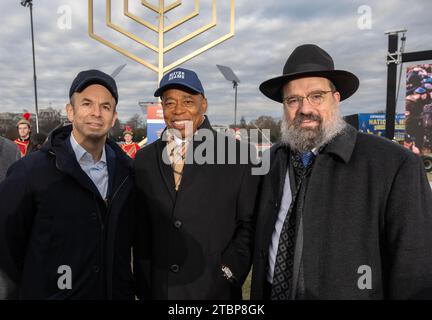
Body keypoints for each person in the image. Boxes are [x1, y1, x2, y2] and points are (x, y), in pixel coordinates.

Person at [251, 44, 432, 300]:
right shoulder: (271, 161)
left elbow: (414, 270)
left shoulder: (394, 165)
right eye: (293, 100)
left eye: (316, 96)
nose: (305, 109)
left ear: (336, 99)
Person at [0, 69, 135, 299]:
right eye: (86, 104)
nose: (96, 113)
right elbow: (7, 248)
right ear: (70, 111)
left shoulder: (128, 173)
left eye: (105, 106)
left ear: (114, 118)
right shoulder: (29, 172)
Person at [133, 67, 260, 299]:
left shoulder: (240, 156)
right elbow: (141, 227)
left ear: (204, 105)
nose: (178, 110)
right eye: (169, 103)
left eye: (188, 101)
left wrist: (228, 272)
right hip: (158, 290)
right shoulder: (144, 159)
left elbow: (250, 224)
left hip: (213, 291)